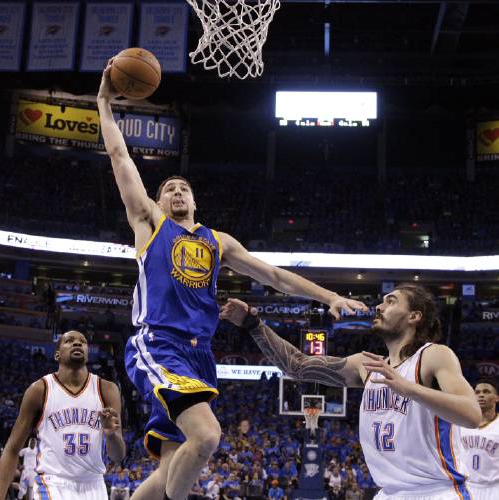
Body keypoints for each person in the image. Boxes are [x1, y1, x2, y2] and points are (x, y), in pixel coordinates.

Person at [96, 60, 367, 500]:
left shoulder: (218, 241)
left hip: (201, 355)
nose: (177, 193)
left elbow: (276, 276)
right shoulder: (149, 223)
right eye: (169, 189)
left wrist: (330, 296)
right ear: (157, 200)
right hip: (159, 343)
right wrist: (104, 103)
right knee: (206, 437)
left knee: (171, 466)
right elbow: (119, 156)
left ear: (195, 200)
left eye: (184, 188)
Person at [220, 284, 482, 499]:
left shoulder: (434, 356)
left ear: (414, 316)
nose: (379, 306)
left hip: (436, 491)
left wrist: (409, 388)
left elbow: (472, 414)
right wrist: (254, 325)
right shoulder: (366, 366)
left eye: (391, 301)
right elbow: (297, 366)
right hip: (389, 492)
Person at [0, 330, 126, 500]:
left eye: (83, 341)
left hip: (94, 485)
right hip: (51, 482)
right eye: (69, 341)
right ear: (57, 354)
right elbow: (12, 449)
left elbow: (118, 456)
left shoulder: (107, 389)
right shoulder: (40, 390)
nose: (77, 343)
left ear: (88, 354)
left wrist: (111, 436)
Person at [458, 379, 499, 500]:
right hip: (466, 487)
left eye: (486, 392)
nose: (481, 395)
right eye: (477, 392)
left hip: (494, 488)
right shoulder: (460, 423)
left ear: (497, 398)